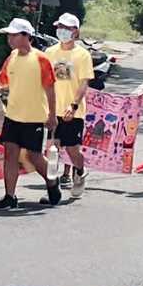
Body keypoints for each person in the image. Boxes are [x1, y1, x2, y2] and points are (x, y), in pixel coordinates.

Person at [0, 18, 62, 211]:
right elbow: (2, 81)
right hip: (13, 116)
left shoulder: (41, 59)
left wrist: (52, 115)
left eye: (14, 35)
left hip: (34, 118)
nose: (10, 39)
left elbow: (50, 89)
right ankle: (10, 196)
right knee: (10, 155)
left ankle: (52, 181)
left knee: (35, 156)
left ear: (26, 36)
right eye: (9, 35)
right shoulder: (12, 57)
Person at [44, 13, 93, 197]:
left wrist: (73, 106)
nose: (62, 31)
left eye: (66, 28)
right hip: (52, 110)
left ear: (75, 31)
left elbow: (83, 83)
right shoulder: (50, 53)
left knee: (72, 151)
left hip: (73, 112)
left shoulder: (82, 55)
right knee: (52, 150)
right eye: (60, 27)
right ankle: (53, 189)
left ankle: (80, 171)